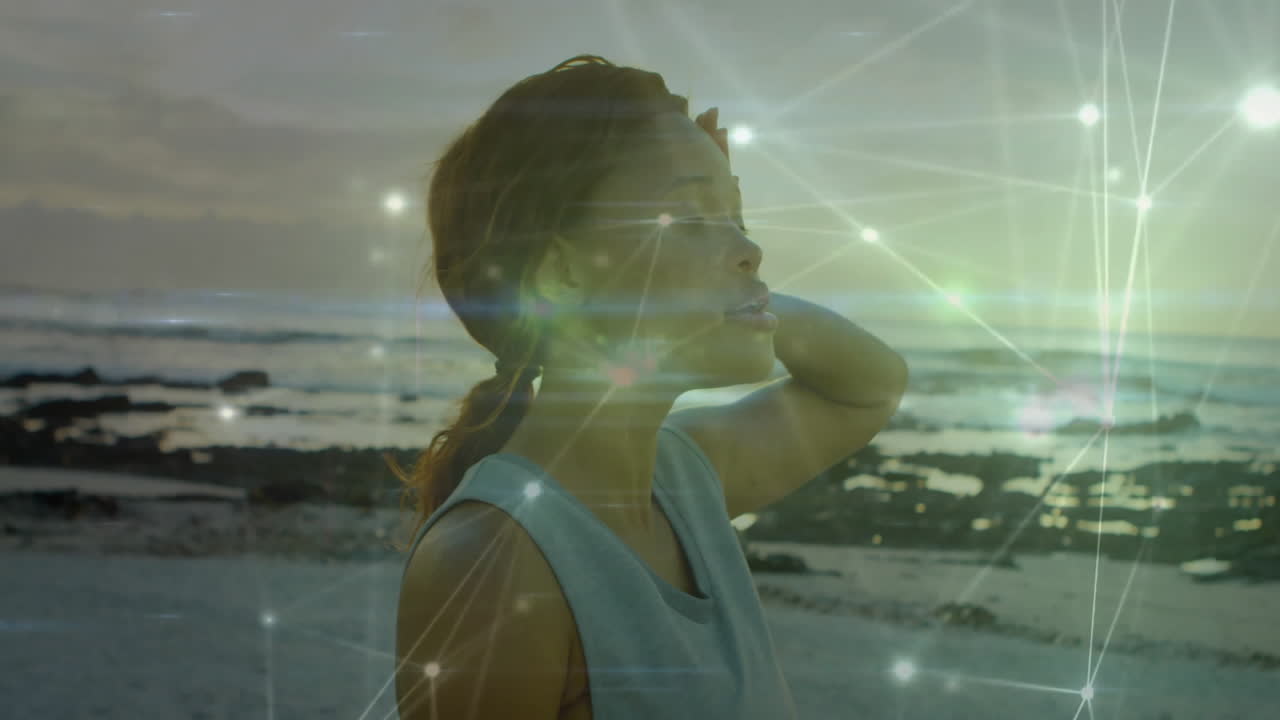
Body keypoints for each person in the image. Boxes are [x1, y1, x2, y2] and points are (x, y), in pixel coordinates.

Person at [390, 54, 908, 719]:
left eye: (741, 221)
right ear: (560, 276)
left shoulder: (686, 481)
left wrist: (737, 288)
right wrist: (730, 291)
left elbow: (872, 384)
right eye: (686, 220)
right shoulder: (491, 567)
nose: (752, 251)